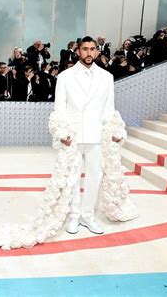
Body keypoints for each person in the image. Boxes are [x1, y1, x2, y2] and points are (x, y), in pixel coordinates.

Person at [54, 36, 122, 235]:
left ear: (97, 51)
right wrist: (62, 132)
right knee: (72, 178)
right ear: (78, 51)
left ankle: (88, 216)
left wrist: (114, 130)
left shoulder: (106, 77)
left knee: (95, 176)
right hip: (73, 136)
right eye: (85, 49)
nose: (89, 53)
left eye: (93, 49)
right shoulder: (65, 77)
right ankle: (74, 215)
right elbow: (60, 108)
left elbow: (109, 109)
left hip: (96, 134)